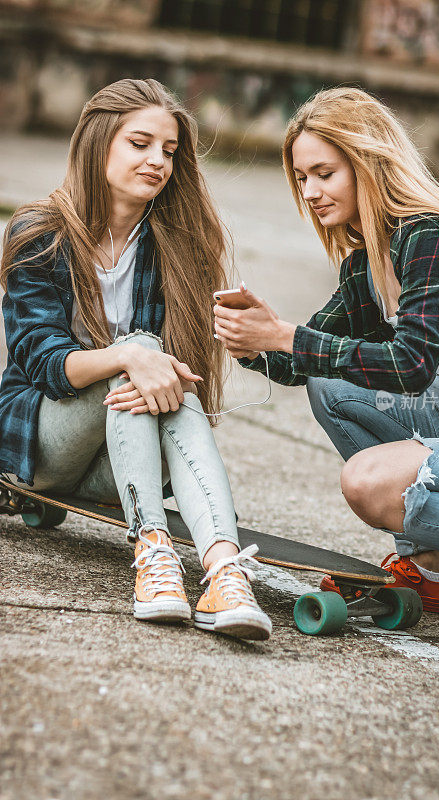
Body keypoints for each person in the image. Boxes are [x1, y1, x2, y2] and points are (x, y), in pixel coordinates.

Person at [214, 87, 439, 654]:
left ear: (367, 162)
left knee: (368, 481)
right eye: (301, 178)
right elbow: (307, 357)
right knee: (330, 384)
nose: (310, 192)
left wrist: (285, 335)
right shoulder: (370, 260)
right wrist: (248, 339)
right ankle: (429, 572)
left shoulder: (432, 232)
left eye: (324, 173)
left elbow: (410, 363)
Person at [0, 78, 271, 641]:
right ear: (99, 144)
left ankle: (222, 571)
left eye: (169, 151)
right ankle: (154, 550)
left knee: (157, 375)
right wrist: (130, 356)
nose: (158, 162)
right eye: (140, 144)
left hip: (123, 457)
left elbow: (179, 384)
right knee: (144, 355)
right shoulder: (40, 233)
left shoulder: (173, 242)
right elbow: (43, 362)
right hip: (45, 440)